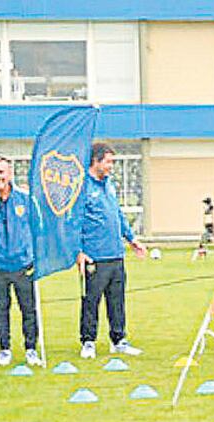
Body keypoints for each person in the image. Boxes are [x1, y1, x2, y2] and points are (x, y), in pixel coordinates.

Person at [77, 142, 147, 359]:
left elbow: (117, 215)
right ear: (95, 161)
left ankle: (119, 340)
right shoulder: (82, 188)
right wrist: (78, 251)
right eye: (108, 162)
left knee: (117, 301)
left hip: (116, 254)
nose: (111, 166)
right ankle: (88, 341)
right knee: (91, 301)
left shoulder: (109, 185)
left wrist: (132, 239)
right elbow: (73, 223)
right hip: (94, 257)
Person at [0, 155, 39, 367]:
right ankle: (4, 349)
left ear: (9, 173)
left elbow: (37, 229)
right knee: (1, 309)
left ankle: (31, 348)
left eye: (1, 172)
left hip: (24, 265)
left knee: (28, 309)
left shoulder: (25, 200)